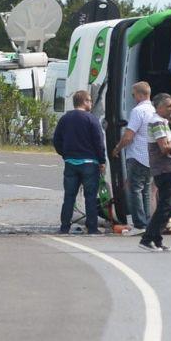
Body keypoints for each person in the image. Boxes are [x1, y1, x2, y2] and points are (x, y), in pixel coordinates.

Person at [53, 90, 106, 235]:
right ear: (84, 101)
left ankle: (64, 227)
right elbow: (99, 142)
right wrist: (102, 161)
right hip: (90, 163)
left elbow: (56, 140)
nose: (91, 103)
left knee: (69, 196)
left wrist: (65, 154)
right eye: (89, 100)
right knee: (90, 196)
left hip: (71, 163)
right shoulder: (91, 119)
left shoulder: (65, 119)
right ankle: (92, 228)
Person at [110, 81, 155, 235]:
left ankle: (139, 223)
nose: (133, 97)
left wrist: (117, 148)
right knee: (146, 191)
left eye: (133, 94)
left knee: (135, 190)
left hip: (137, 156)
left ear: (141, 94)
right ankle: (147, 221)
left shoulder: (138, 111)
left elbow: (129, 136)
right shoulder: (154, 110)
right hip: (151, 157)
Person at [139, 93, 171, 252]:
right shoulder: (156, 122)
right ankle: (147, 239)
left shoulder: (162, 122)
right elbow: (164, 148)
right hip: (164, 168)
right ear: (159, 107)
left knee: (166, 205)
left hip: (167, 167)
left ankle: (157, 240)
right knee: (165, 205)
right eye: (169, 105)